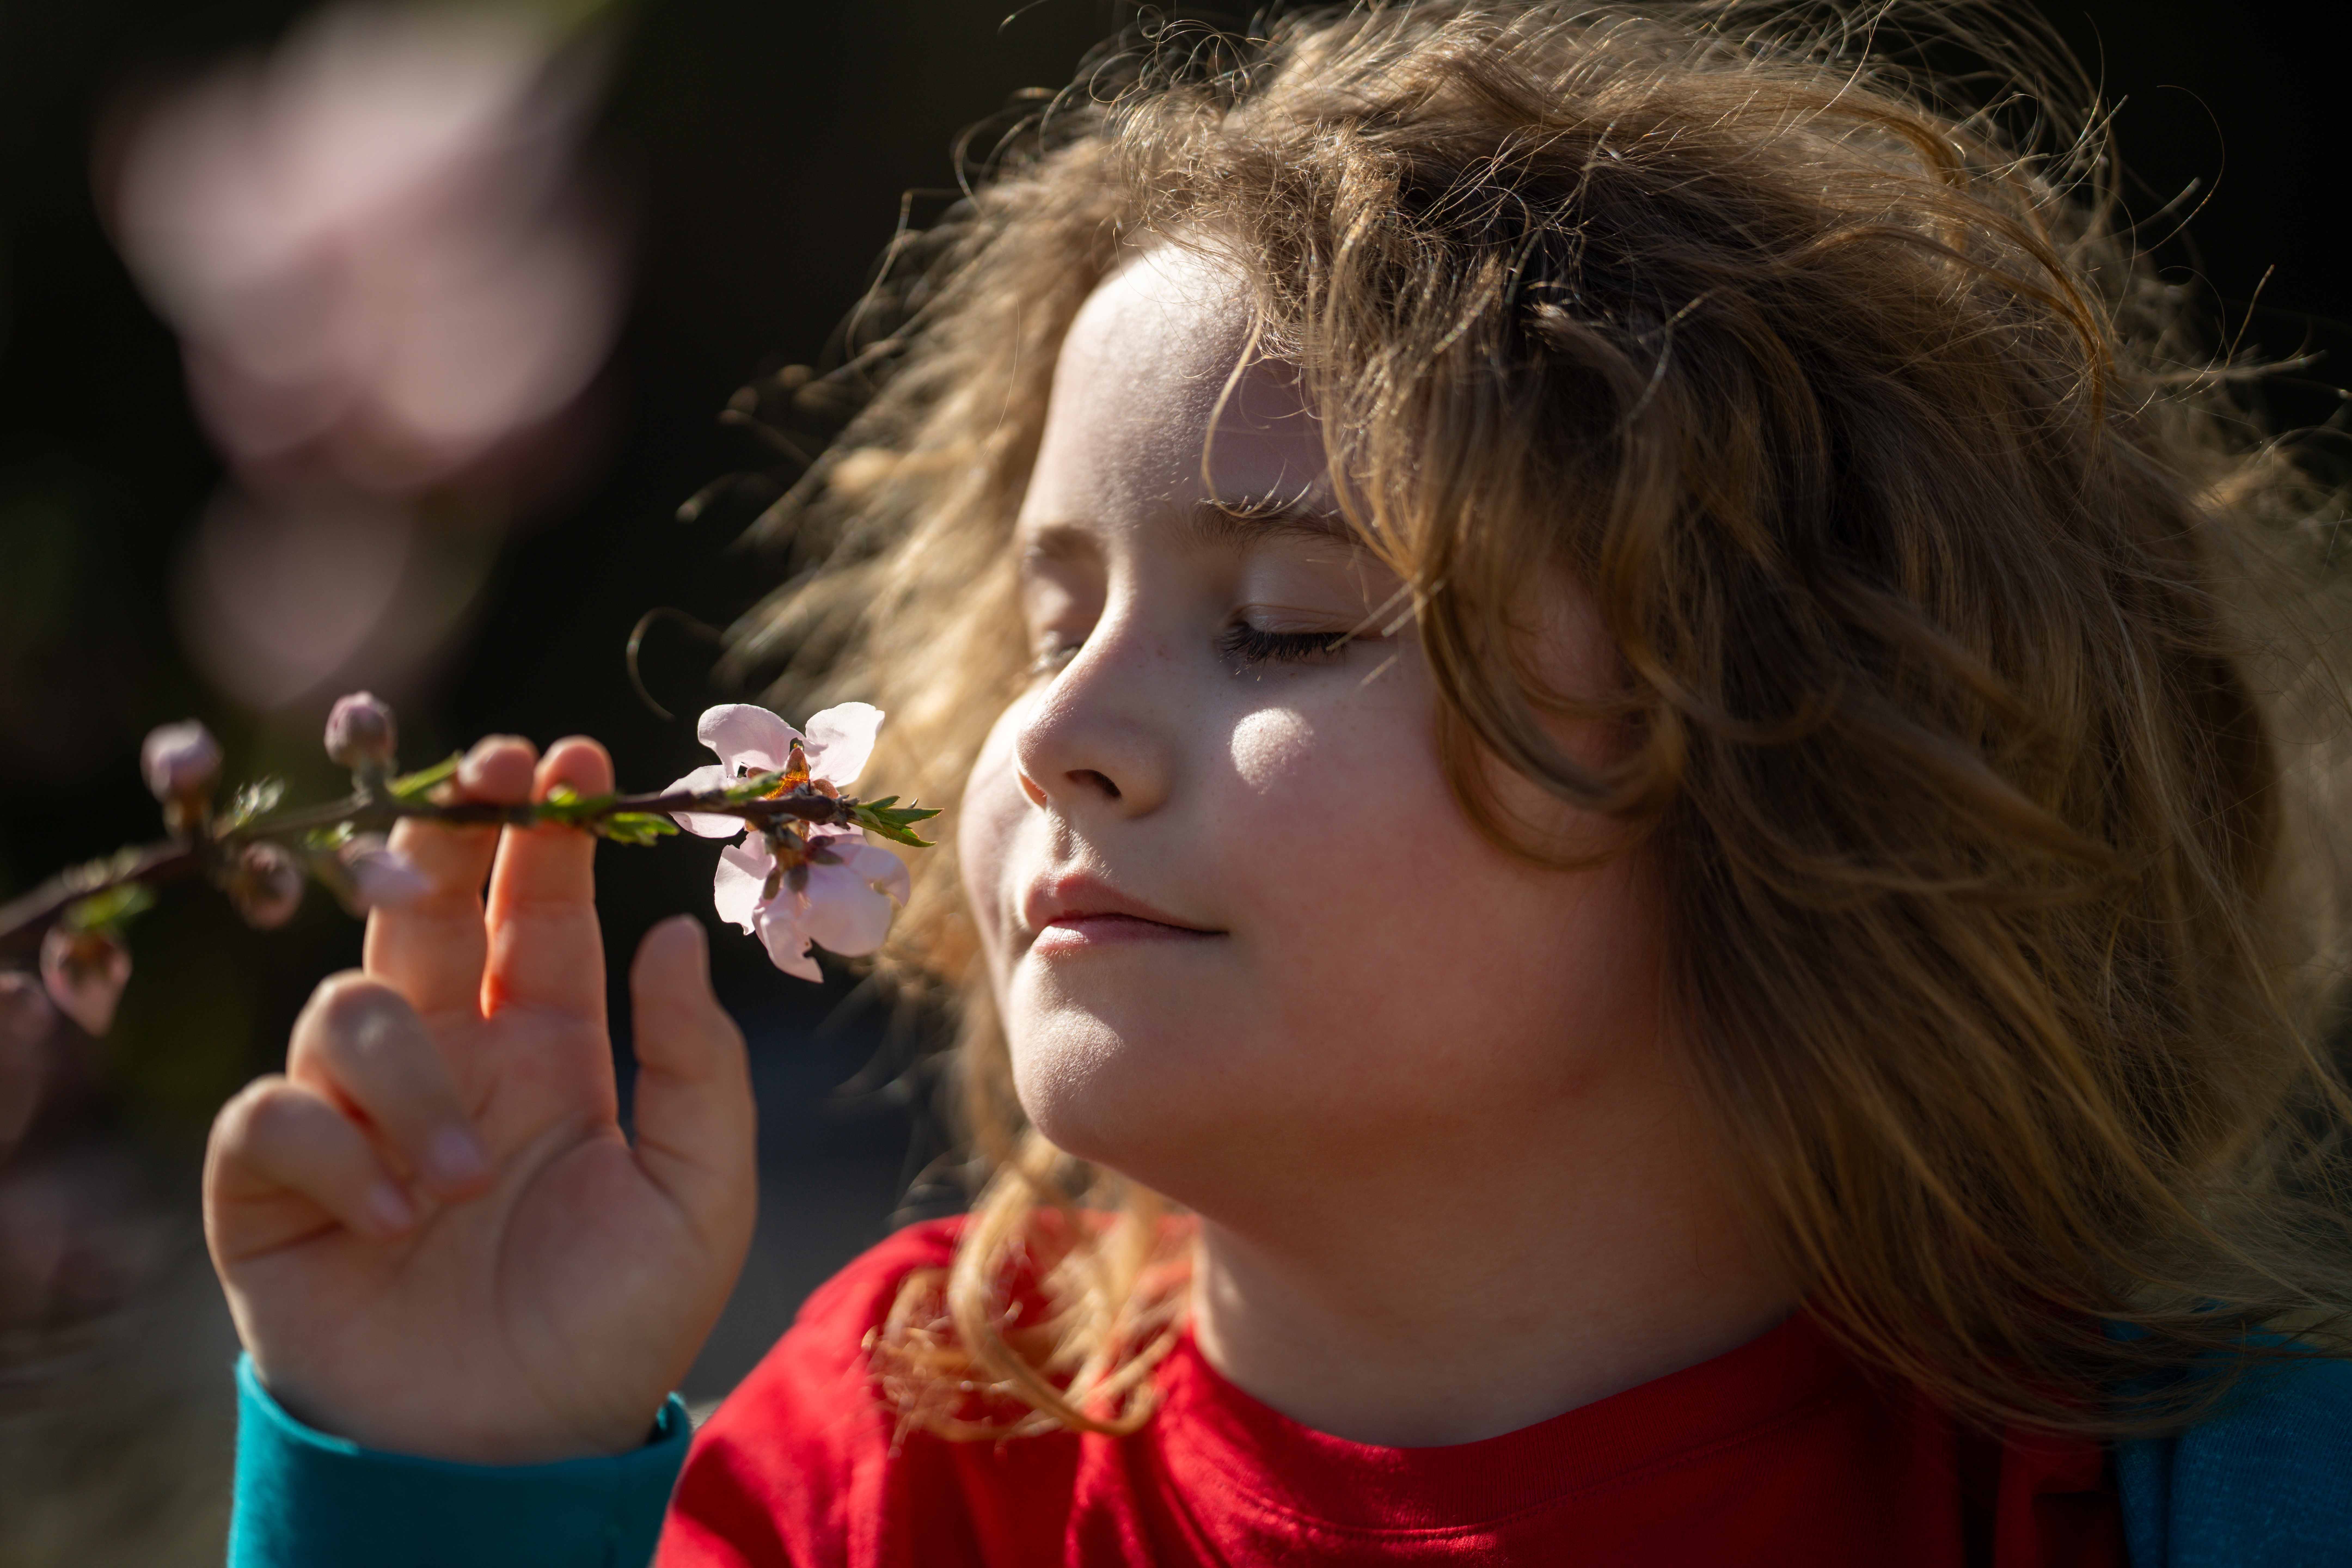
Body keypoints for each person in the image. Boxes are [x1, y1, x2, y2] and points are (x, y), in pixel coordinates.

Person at [204, 4, 2352, 1563]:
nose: (1053, 732)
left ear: (1812, 752)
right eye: (1047, 625)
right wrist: (448, 1481)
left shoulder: (2185, 1502)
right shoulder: (899, 1472)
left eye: (1291, 625)